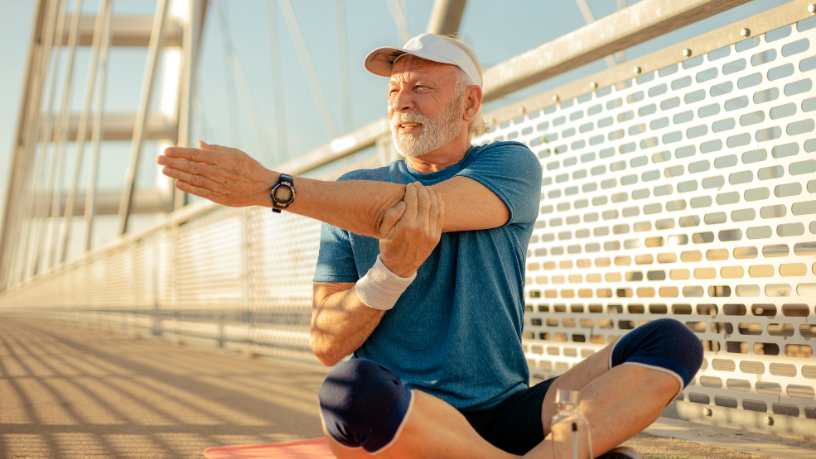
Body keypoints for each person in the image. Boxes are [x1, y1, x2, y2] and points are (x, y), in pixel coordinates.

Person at [157, 33, 703, 459]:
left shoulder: (508, 164)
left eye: (420, 88)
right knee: (346, 389)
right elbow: (326, 343)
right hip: (406, 411)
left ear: (469, 104)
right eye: (394, 91)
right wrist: (387, 274)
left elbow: (421, 209)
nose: (402, 103)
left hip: (504, 409)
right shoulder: (347, 193)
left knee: (669, 342)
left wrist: (272, 189)